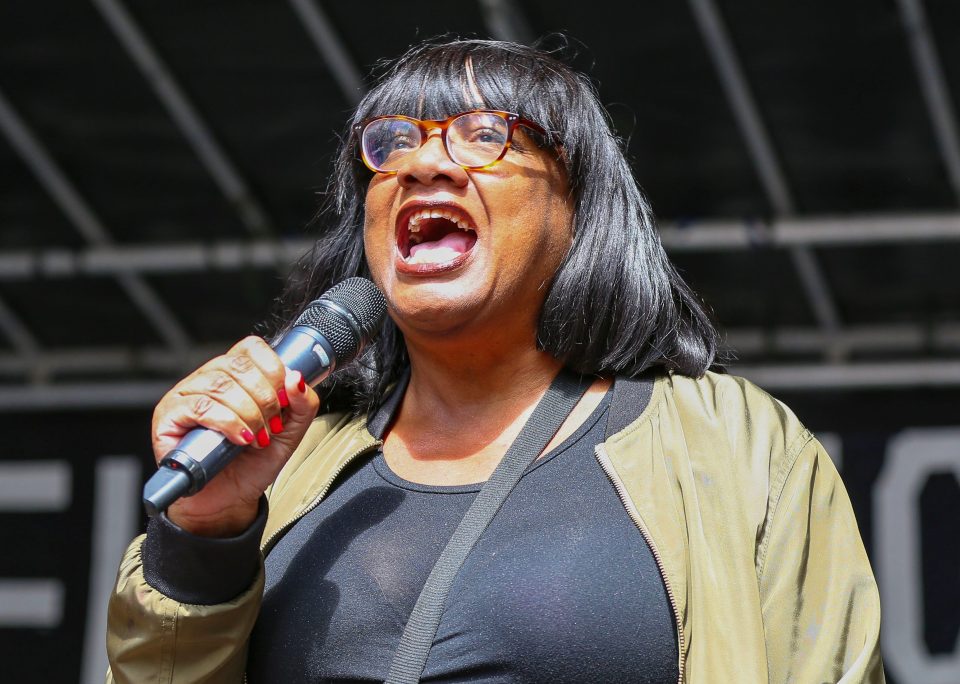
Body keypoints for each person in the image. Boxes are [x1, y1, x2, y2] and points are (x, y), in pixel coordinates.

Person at [106, 39, 884, 683]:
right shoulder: (292, 465)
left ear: (578, 205)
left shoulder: (734, 444)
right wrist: (204, 538)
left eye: (483, 134)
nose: (421, 164)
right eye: (393, 143)